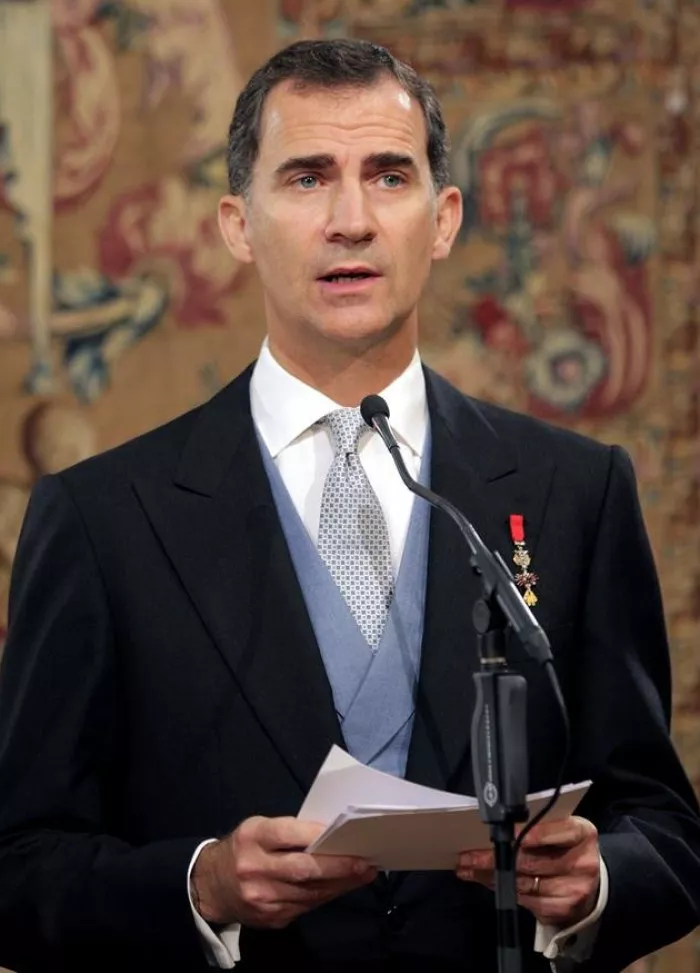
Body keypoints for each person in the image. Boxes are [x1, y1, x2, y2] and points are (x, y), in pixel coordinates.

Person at [0, 38, 698, 973]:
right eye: (307, 178)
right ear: (238, 224)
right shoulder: (101, 518)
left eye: (389, 176)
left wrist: (597, 880)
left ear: (443, 219)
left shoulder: (575, 490)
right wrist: (201, 886)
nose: (352, 221)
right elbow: (18, 867)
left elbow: (666, 830)